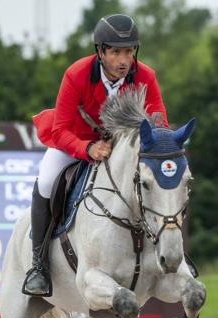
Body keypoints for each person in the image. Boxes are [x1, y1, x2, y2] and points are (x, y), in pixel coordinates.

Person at [23, 14, 169, 297]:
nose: (123, 60)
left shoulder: (145, 76)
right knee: (46, 179)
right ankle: (38, 265)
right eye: (115, 52)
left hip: (122, 148)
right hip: (76, 141)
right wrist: (87, 149)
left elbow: (159, 121)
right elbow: (61, 129)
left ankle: (170, 251)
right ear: (100, 52)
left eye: (128, 51)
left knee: (156, 178)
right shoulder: (76, 74)